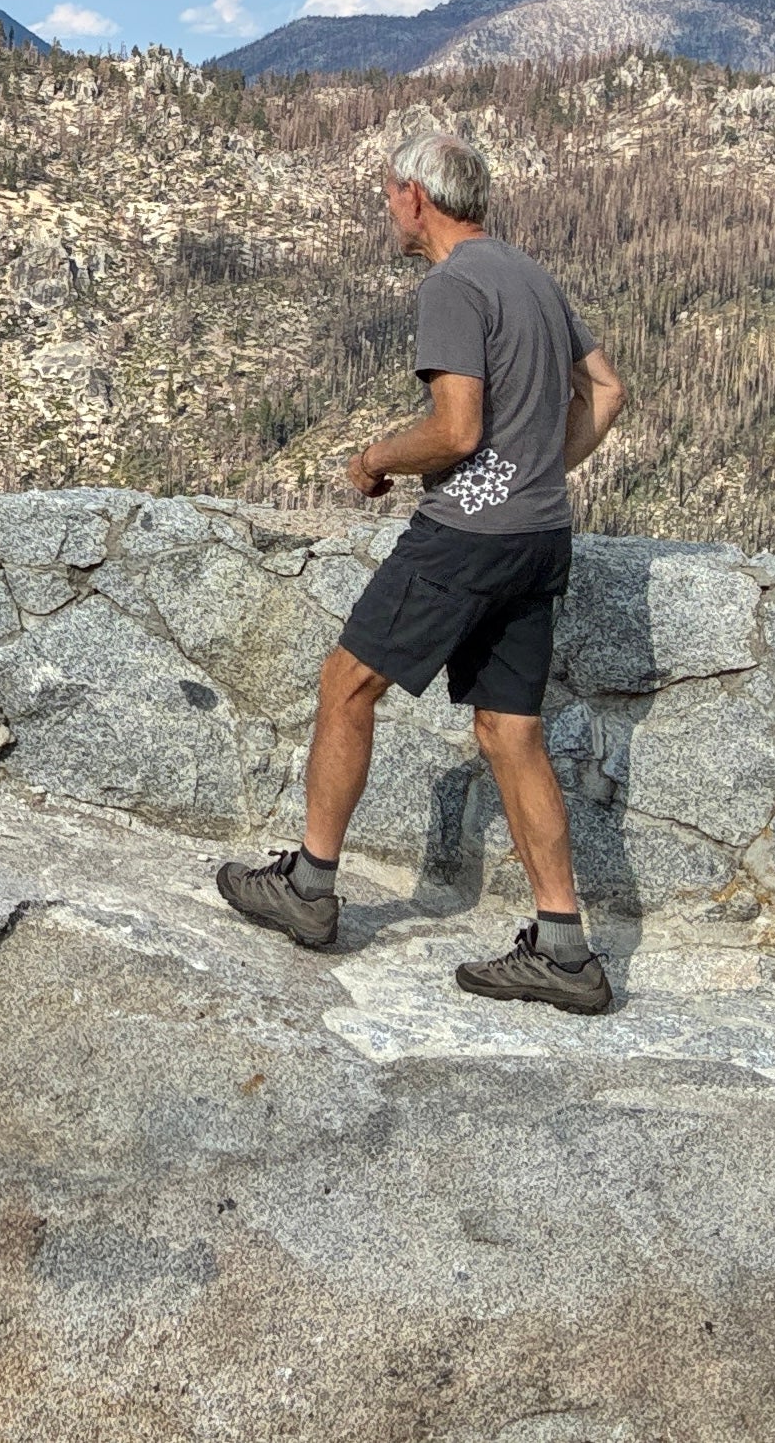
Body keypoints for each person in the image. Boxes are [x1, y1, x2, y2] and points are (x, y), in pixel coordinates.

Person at [216, 129, 628, 1013]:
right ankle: (564, 950)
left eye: (387, 193)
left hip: (466, 535)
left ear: (416, 196)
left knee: (346, 683)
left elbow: (457, 429)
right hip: (540, 536)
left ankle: (311, 889)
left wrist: (374, 460)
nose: (385, 208)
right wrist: (541, 476)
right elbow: (607, 392)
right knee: (510, 731)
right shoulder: (530, 274)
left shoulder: (451, 284)